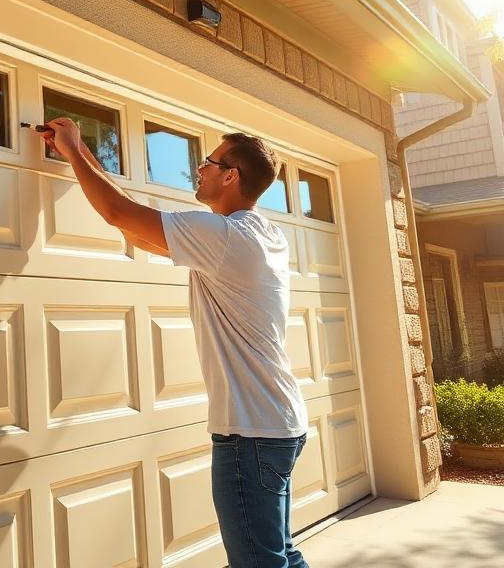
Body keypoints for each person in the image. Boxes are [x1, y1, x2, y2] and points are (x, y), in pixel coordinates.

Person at [41, 117, 309, 568]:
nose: (199, 169)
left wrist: (71, 146)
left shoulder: (226, 237)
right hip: (275, 424)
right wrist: (80, 157)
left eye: (209, 161)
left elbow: (118, 214)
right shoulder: (258, 234)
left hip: (253, 432)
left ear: (231, 176)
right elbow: (133, 230)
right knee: (277, 553)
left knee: (259, 562)